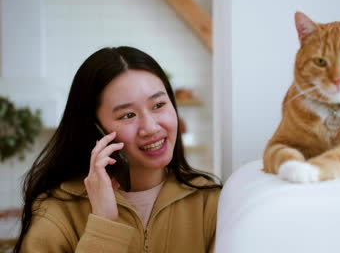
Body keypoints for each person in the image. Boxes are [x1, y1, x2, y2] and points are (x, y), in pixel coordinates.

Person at [13, 46, 222, 253]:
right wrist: (103, 223)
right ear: (96, 129)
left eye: (158, 105)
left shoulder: (209, 202)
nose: (150, 127)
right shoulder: (56, 211)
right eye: (127, 115)